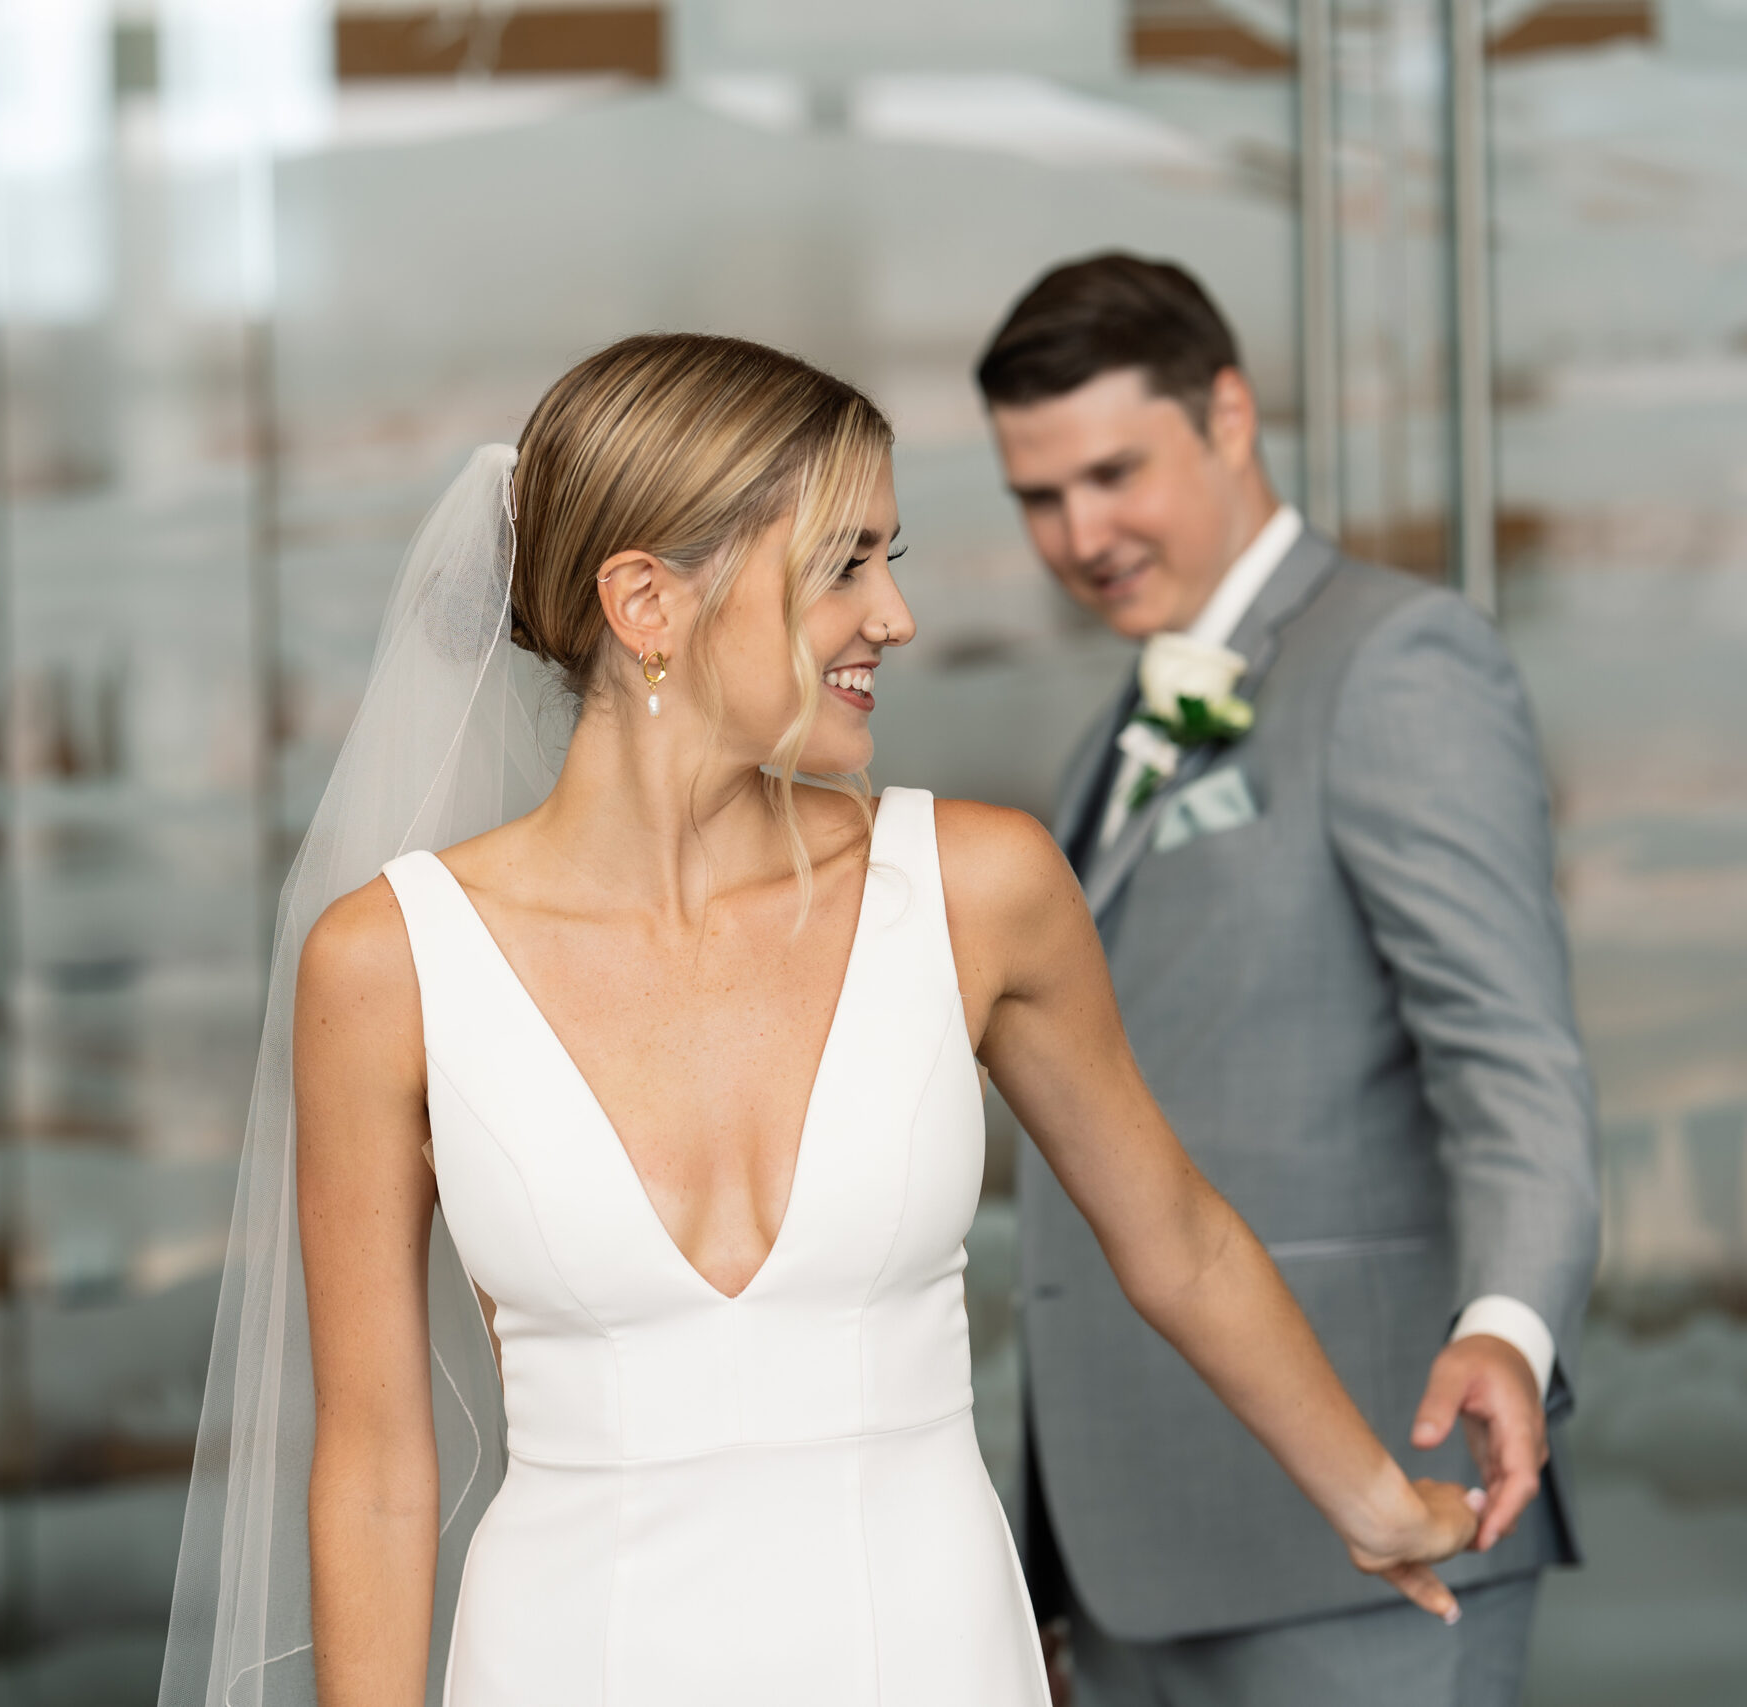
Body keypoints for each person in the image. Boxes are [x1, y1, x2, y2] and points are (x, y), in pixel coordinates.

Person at [160, 332, 1481, 1707]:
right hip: (570, 1661)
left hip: (929, 1655)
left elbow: (1180, 1242)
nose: (895, 615)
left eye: (888, 558)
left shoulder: (978, 888)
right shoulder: (385, 965)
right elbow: (373, 1465)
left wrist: (1377, 1499)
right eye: (845, 563)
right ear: (645, 603)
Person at [977, 253, 1601, 1706]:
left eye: (1114, 472)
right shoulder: (1114, 730)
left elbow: (1510, 1059)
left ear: (1232, 414)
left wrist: (1509, 1327)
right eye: (1038, 497)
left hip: (1372, 1535)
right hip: (1128, 1548)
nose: (1081, 533)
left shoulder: (1397, 662)